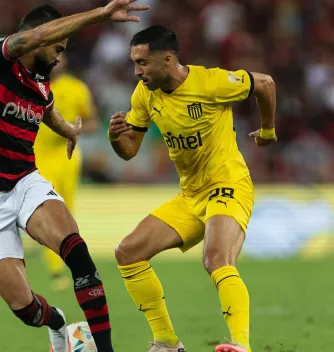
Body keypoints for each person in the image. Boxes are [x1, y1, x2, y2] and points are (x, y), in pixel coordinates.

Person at [0, 2, 149, 351]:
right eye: (58, 48)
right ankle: (59, 323)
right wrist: (100, 15)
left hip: (24, 182)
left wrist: (68, 132)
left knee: (76, 251)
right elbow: (41, 35)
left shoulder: (41, 83)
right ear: (40, 39)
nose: (59, 57)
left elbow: (45, 110)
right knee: (23, 307)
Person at [108, 26, 276, 352]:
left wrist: (267, 129)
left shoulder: (211, 82)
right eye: (134, 63)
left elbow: (265, 83)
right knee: (127, 253)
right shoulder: (145, 95)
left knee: (216, 259)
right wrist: (117, 138)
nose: (136, 71)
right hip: (190, 196)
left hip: (228, 185)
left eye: (142, 63)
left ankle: (240, 345)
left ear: (168, 59)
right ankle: (167, 343)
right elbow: (130, 151)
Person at [35, 54, 98, 291]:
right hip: (40, 159)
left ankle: (73, 267)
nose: (58, 59)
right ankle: (55, 270)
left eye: (61, 55)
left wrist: (72, 128)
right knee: (48, 214)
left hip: (69, 160)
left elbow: (92, 122)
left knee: (67, 215)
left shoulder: (77, 89)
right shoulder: (32, 85)